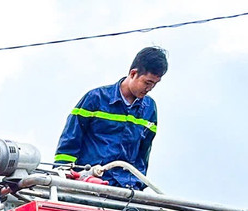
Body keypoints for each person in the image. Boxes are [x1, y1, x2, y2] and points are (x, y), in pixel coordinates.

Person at [55, 47, 167, 188]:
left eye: (155, 84)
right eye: (148, 83)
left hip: (126, 190)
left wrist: (138, 184)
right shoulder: (95, 99)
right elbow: (70, 141)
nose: (149, 88)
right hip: (88, 184)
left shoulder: (149, 109)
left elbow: (143, 155)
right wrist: (65, 175)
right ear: (133, 73)